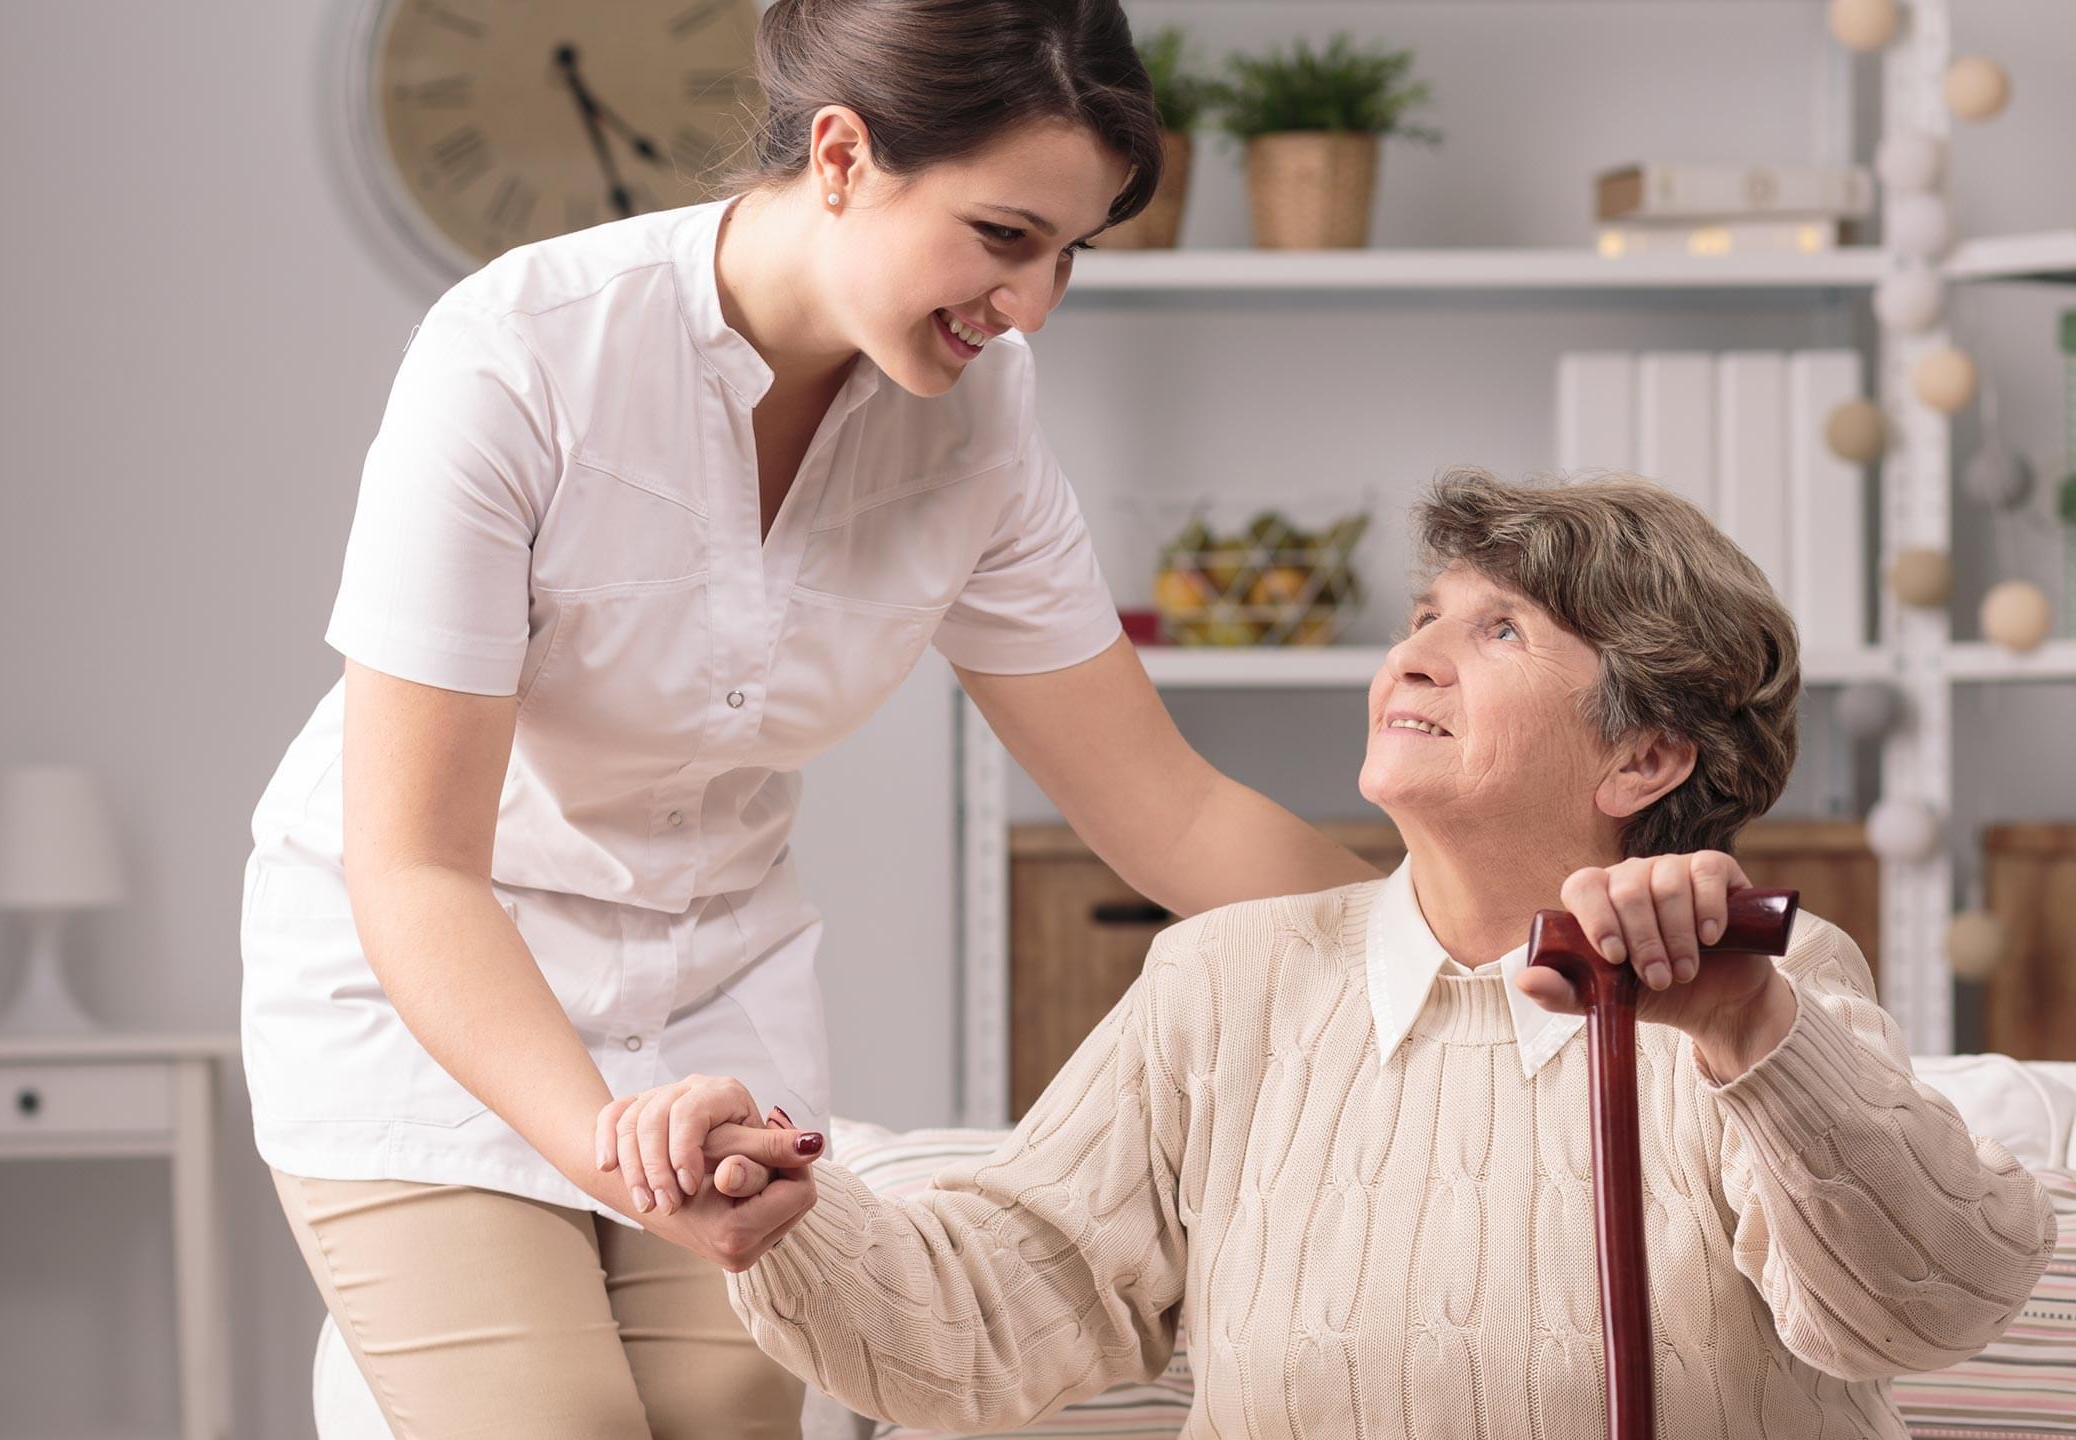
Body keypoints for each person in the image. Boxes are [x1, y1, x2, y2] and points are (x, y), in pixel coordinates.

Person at [240, 0, 1755, 1431]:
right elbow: (417, 869)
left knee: (723, 1414)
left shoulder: (976, 422)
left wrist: (1516, 953)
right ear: (843, 156)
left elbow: (1165, 807)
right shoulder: (520, 356)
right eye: (1003, 237)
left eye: (1069, 255)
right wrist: (608, 1144)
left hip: (706, 991)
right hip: (435, 983)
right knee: (554, 1420)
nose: (1029, 304)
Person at [684, 473, 2057, 1439]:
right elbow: (995, 1310)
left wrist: (1748, 1034)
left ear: (1646, 756)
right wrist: (789, 1222)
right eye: (1422, 619)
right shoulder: (1226, 984)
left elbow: (1927, 1307)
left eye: (1499, 629)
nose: (1414, 658)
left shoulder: (1768, 987)